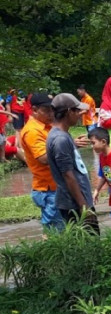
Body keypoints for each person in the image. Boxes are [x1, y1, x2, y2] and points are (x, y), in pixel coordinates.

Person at [46, 93, 98, 234]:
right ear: (69, 112)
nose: (80, 114)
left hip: (78, 202)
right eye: (77, 111)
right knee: (88, 247)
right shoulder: (60, 140)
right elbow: (68, 175)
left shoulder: (63, 135)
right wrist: (83, 207)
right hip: (75, 205)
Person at [17, 94, 64, 233]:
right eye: (46, 110)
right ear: (35, 110)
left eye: (52, 109)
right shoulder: (32, 131)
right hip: (48, 189)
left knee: (59, 228)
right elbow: (43, 158)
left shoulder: (47, 126)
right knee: (55, 230)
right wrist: (68, 146)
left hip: (55, 186)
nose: (51, 114)